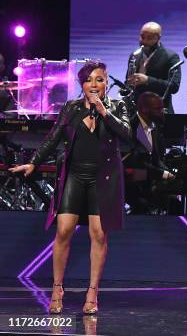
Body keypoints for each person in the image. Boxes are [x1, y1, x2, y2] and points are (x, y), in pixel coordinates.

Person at [10, 61, 131, 315]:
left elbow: (128, 134)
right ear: (82, 84)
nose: (94, 85)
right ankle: (57, 288)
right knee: (63, 230)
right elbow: (53, 138)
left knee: (98, 234)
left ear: (106, 83)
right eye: (88, 80)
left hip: (103, 178)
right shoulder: (71, 107)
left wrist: (103, 112)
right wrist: (33, 163)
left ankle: (93, 292)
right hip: (75, 175)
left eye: (99, 80)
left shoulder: (117, 106)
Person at [123, 92, 175, 214]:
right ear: (144, 109)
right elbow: (134, 163)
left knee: (174, 204)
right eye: (158, 109)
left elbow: (157, 159)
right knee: (143, 206)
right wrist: (162, 174)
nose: (162, 111)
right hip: (130, 181)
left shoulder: (154, 127)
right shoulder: (128, 128)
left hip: (149, 179)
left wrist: (170, 173)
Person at [126, 22, 181, 113]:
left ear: (158, 38)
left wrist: (147, 80)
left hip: (160, 110)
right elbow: (128, 80)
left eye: (149, 38)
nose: (144, 41)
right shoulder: (134, 55)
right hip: (136, 110)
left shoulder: (171, 57)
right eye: (142, 37)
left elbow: (174, 87)